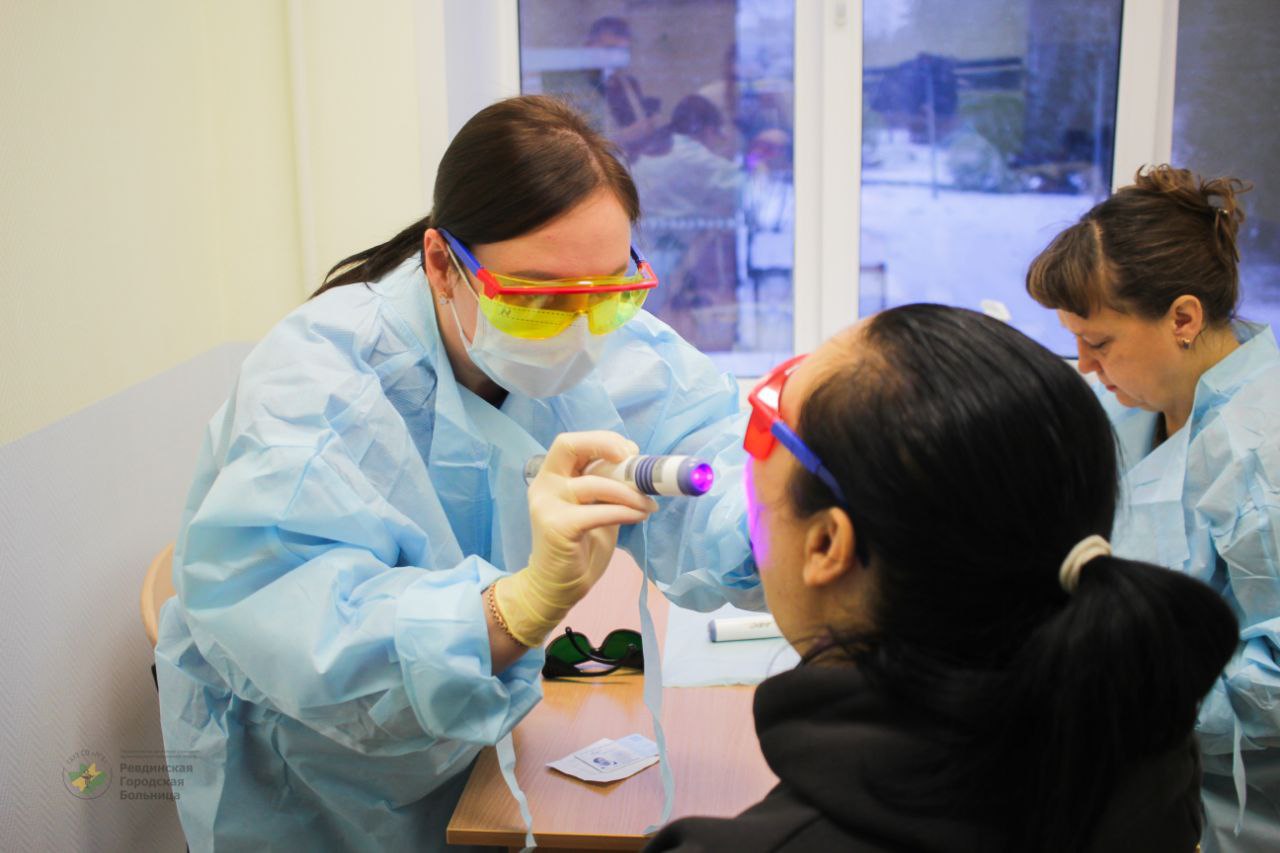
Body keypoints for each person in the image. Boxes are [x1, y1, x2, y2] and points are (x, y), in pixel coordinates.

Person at [154, 95, 760, 852]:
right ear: (444, 264)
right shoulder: (320, 388)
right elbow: (308, 642)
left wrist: (789, 516)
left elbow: (711, 455)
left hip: (484, 739)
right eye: (535, 299)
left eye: (609, 293)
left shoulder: (616, 341)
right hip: (319, 783)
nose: (580, 332)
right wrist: (520, 606)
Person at [646, 304, 1239, 852]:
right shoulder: (1150, 754)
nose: (743, 458)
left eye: (765, 418)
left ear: (827, 544)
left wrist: (571, 607)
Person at [1026, 165, 1280, 851]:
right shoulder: (1139, 405)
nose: (1084, 365)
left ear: (1183, 319)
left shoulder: (1261, 449)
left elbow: (1276, 678)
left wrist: (1125, 704)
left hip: (1235, 811)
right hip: (1144, 780)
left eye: (1099, 343)